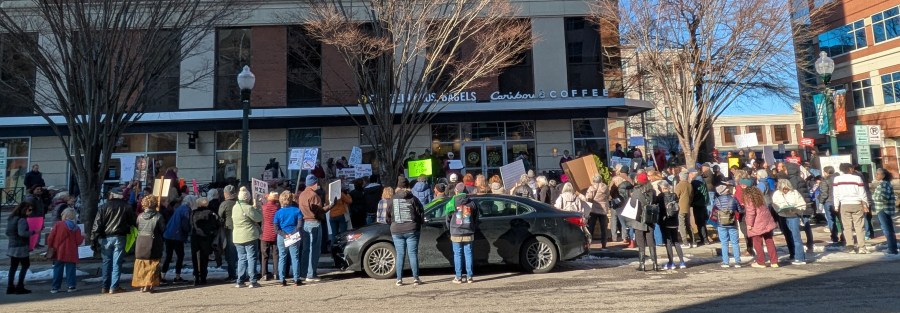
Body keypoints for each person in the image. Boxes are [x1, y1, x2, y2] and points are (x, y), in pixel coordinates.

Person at [91, 187, 136, 294]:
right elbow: (133, 222)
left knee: (106, 262)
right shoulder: (127, 207)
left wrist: (93, 239)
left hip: (105, 237)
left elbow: (97, 224)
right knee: (117, 262)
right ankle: (114, 286)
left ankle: (104, 286)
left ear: (112, 195)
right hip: (120, 236)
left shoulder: (103, 206)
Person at [297, 175, 334, 282]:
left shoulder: (302, 194)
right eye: (316, 183)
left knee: (306, 249)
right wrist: (330, 206)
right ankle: (311, 274)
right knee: (314, 250)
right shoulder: (314, 195)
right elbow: (319, 212)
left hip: (305, 223)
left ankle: (303, 273)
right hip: (314, 223)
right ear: (314, 184)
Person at [389, 177, 425, 286]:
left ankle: (399, 279)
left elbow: (387, 215)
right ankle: (415, 278)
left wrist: (391, 223)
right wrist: (418, 223)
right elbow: (420, 213)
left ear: (398, 187)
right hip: (411, 229)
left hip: (396, 229)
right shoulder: (413, 199)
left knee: (400, 254)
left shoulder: (392, 199)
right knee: (412, 254)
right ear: (408, 187)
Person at [446, 183, 479, 283]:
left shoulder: (451, 202)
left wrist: (450, 229)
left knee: (457, 254)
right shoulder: (472, 203)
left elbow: (447, 219)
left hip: (456, 232)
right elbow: (476, 218)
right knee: (468, 253)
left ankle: (458, 277)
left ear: (456, 191)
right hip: (468, 231)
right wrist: (472, 227)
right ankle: (469, 277)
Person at [132, 196, 165, 293]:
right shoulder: (159, 216)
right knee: (153, 263)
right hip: (153, 241)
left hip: (141, 241)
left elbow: (137, 226)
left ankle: (142, 284)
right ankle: (149, 283)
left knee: (141, 264)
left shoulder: (140, 216)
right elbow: (162, 229)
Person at [48, 207, 84, 294]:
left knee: (57, 269)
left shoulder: (58, 225)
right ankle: (71, 286)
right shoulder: (76, 228)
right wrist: (83, 236)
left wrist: (51, 246)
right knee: (71, 269)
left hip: (59, 251)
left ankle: (55, 287)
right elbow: (78, 242)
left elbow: (50, 238)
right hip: (71, 251)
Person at [772, 179, 809, 264]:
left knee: (796, 237)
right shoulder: (777, 194)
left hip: (793, 216)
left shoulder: (795, 193)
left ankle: (800, 258)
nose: (785, 190)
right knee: (788, 237)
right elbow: (775, 205)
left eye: (786, 189)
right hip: (783, 216)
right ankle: (792, 254)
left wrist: (797, 209)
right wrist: (780, 209)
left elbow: (802, 204)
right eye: (783, 189)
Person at [741, 186, 779, 268]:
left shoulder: (749, 199)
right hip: (766, 222)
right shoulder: (760, 199)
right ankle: (774, 261)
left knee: (757, 243)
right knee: (769, 241)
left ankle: (761, 262)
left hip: (757, 223)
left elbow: (751, 213)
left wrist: (749, 224)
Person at [232, 186, 262, 288]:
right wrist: (257, 207)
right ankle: (253, 281)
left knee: (241, 258)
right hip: (249, 235)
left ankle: (240, 280)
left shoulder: (235, 207)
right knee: (251, 257)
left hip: (237, 236)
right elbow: (258, 218)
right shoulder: (248, 208)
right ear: (247, 198)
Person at [628, 173, 658, 271]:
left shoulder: (636, 191)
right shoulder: (652, 191)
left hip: (639, 219)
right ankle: (655, 264)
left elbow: (632, 205)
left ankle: (642, 264)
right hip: (650, 219)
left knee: (640, 243)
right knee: (651, 242)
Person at [161, 195, 194, 284]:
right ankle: (177, 276)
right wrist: (189, 231)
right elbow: (185, 225)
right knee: (180, 255)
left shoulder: (180, 208)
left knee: (168, 256)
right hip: (177, 235)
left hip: (168, 234)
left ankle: (162, 276)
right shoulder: (186, 210)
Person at [273, 191, 303, 287]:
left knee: (282, 257)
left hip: (282, 236)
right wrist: (292, 233)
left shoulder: (278, 212)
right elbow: (299, 225)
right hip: (294, 234)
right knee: (295, 257)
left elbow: (276, 228)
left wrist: (284, 234)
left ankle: (282, 279)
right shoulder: (297, 210)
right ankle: (296, 278)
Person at [7, 203, 35, 294]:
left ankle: (10, 286)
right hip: (21, 246)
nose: (30, 212)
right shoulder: (22, 220)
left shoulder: (12, 218)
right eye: (29, 210)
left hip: (12, 246)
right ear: (24, 209)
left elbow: (7, 232)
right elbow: (22, 233)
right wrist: (32, 232)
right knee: (25, 265)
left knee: (13, 267)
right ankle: (20, 286)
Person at [190, 197, 220, 285]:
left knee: (195, 258)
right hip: (206, 238)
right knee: (204, 258)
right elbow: (215, 225)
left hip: (195, 237)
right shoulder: (210, 213)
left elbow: (190, 224)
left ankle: (196, 276)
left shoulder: (193, 213)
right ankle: (203, 277)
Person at [656, 181, 685, 270]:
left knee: (668, 242)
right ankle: (682, 262)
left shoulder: (660, 197)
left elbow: (659, 209)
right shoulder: (674, 195)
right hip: (674, 221)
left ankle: (671, 262)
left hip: (665, 221)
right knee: (676, 241)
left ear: (661, 188)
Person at [713, 184, 743, 268]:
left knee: (724, 243)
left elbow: (714, 212)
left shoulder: (717, 200)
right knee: (735, 242)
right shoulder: (733, 199)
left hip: (721, 223)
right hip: (732, 223)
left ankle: (726, 262)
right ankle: (737, 261)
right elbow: (740, 210)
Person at [872, 168, 897, 255]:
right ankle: (892, 247)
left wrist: (874, 197)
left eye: (877, 174)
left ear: (883, 175)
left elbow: (884, 197)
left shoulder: (884, 184)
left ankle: (892, 249)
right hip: (884, 209)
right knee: (888, 229)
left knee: (887, 229)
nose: (876, 176)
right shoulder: (883, 184)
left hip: (883, 209)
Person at [816, 166, 843, 244]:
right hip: (839, 201)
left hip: (829, 202)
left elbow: (824, 194)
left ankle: (834, 237)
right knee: (842, 220)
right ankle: (844, 236)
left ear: (825, 172)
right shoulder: (839, 179)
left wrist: (820, 202)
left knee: (831, 220)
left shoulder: (825, 181)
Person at [218, 185, 238, 281]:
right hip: (240, 229)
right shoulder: (239, 203)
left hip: (229, 229)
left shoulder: (224, 204)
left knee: (230, 253)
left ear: (226, 194)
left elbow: (220, 217)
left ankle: (232, 274)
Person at [585, 174, 610, 248]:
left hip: (594, 209)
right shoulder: (605, 187)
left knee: (591, 227)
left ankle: (589, 244)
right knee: (603, 228)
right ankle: (604, 245)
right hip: (603, 209)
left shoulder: (591, 188)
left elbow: (588, 198)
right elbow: (608, 196)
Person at [259, 192, 279, 281]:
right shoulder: (277, 208)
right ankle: (276, 273)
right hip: (275, 233)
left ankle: (264, 274)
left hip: (264, 233)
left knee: (264, 255)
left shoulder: (263, 207)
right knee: (276, 254)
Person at [689, 169, 710, 246]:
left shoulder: (695, 182)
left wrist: (691, 201)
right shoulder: (702, 181)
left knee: (699, 222)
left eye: (689, 174)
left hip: (697, 204)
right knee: (702, 222)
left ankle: (704, 239)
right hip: (703, 203)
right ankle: (705, 239)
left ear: (692, 174)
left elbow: (693, 193)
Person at [674, 172, 694, 248]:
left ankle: (685, 242)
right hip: (688, 206)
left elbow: (676, 196)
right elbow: (691, 196)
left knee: (682, 225)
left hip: (680, 207)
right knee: (688, 224)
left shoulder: (679, 185)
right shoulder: (690, 185)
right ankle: (693, 241)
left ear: (680, 177)